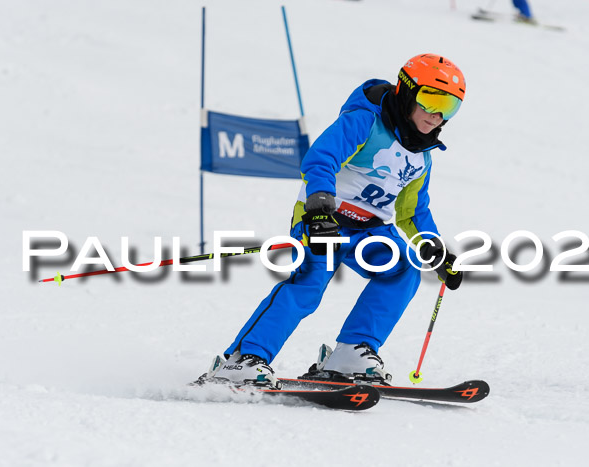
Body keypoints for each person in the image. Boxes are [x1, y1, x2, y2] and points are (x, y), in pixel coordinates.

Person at [198, 53, 466, 388]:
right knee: (309, 282)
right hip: (325, 220)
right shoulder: (364, 121)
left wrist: (435, 248)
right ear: (407, 92)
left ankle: (353, 351)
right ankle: (242, 360)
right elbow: (321, 158)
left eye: (449, 108)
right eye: (430, 101)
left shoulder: (422, 155)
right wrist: (320, 207)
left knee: (404, 269)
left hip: (371, 230)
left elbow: (412, 211)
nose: (437, 115)